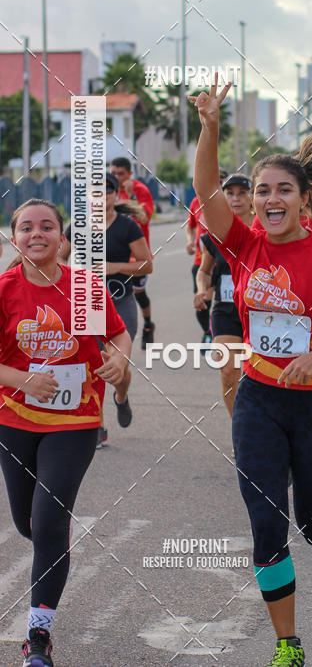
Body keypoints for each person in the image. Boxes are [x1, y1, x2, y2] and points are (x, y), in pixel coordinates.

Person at [191, 83, 312, 667]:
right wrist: (209, 125)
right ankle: (288, 645)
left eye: (282, 190)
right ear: (251, 201)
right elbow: (203, 187)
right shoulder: (244, 245)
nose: (270, 199)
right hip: (259, 400)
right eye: (260, 191)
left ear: (304, 200)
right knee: (265, 519)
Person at [0, 199, 129, 666]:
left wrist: (119, 358)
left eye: (47, 226)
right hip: (14, 420)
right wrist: (23, 381)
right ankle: (53, 545)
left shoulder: (84, 287)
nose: (37, 234)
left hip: (75, 421)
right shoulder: (5, 289)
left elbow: (117, 335)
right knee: (27, 524)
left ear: (61, 236)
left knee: (50, 524)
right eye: (27, 227)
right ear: (15, 237)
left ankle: (39, 635)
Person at [61, 173, 152, 448]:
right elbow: (59, 260)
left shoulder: (128, 227)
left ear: (115, 195)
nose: (102, 196)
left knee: (118, 367)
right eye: (96, 192)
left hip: (120, 301)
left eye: (107, 191)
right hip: (86, 305)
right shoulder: (75, 226)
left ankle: (121, 398)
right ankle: (97, 425)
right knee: (93, 363)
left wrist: (116, 267)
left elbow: (147, 265)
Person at [195, 174, 254, 418]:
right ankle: (240, 429)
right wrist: (201, 289)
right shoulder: (213, 236)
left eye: (242, 193)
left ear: (252, 197)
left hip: (261, 313)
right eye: (230, 193)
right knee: (228, 371)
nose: (236, 198)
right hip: (226, 309)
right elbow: (205, 270)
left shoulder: (267, 232)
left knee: (259, 375)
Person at [110, 157, 156, 348]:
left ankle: (147, 324)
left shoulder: (140, 190)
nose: (117, 177)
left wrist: (131, 196)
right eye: (113, 173)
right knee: (110, 294)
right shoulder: (108, 191)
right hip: (113, 256)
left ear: (130, 174)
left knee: (138, 293)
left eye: (120, 174)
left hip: (135, 257)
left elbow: (144, 218)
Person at [186, 194, 212, 345]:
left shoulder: (226, 200)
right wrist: (190, 242)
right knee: (201, 303)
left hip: (223, 263)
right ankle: (208, 332)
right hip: (200, 261)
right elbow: (190, 227)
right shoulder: (195, 202)